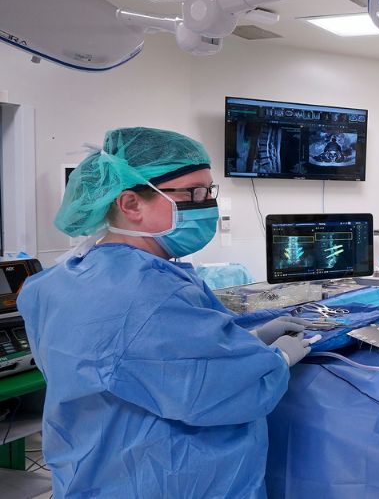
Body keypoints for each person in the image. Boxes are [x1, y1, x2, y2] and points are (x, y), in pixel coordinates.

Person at [17, 127, 313, 498]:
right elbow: (219, 391)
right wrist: (275, 360)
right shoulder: (150, 292)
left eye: (209, 192)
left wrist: (246, 341)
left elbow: (139, 362)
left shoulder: (59, 280)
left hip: (92, 472)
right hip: (167, 479)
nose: (207, 205)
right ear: (130, 204)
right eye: (193, 194)